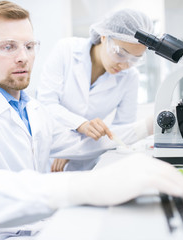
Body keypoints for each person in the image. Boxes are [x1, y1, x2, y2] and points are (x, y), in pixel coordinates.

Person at [0, 1, 183, 239]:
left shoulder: (30, 110)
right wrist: (88, 186)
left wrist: (145, 127)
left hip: (32, 225)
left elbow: (85, 144)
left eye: (29, 46)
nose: (23, 56)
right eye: (8, 46)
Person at [36, 9, 154, 172]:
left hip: (89, 160)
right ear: (104, 37)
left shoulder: (130, 77)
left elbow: (121, 132)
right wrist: (80, 125)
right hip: (51, 155)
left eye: (134, 59)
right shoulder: (66, 50)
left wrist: (73, 150)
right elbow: (46, 104)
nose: (124, 65)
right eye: (120, 54)